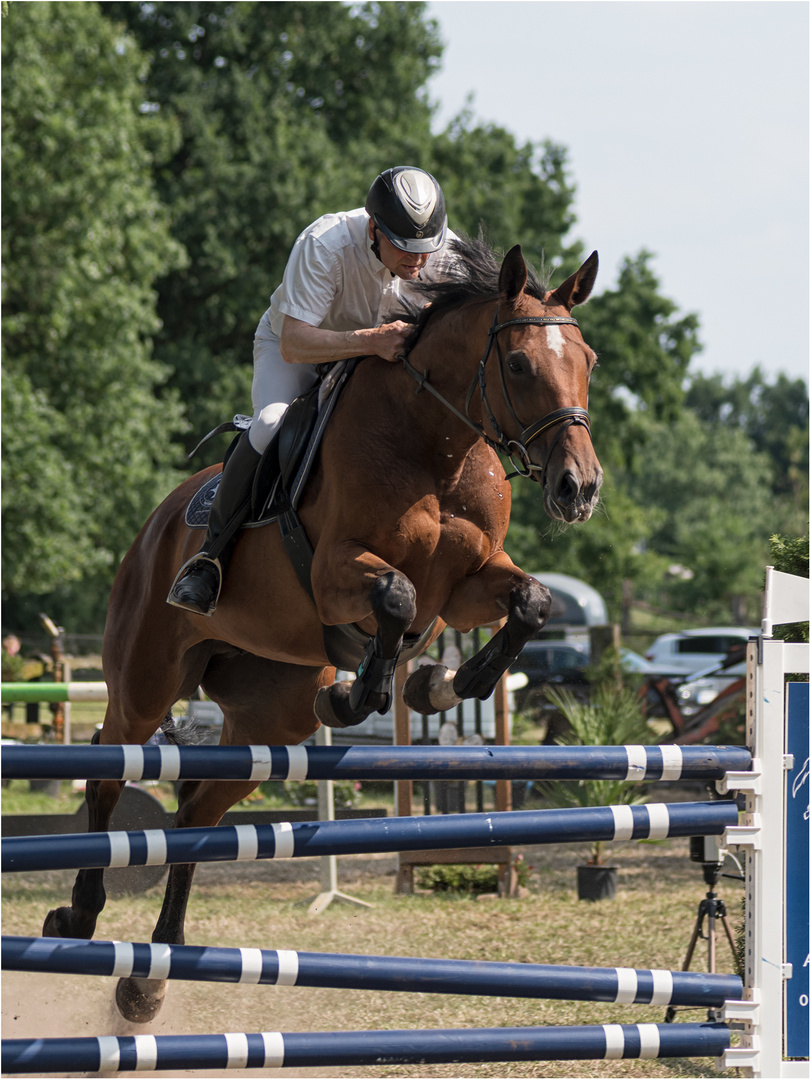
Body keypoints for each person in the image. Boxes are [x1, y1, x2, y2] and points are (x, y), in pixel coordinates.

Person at [168, 166, 457, 616]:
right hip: (303, 350)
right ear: (373, 228)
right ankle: (210, 559)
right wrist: (370, 341)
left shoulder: (443, 254)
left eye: (425, 249)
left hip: (380, 363)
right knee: (269, 425)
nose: (417, 262)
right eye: (404, 248)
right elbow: (294, 340)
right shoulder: (324, 244)